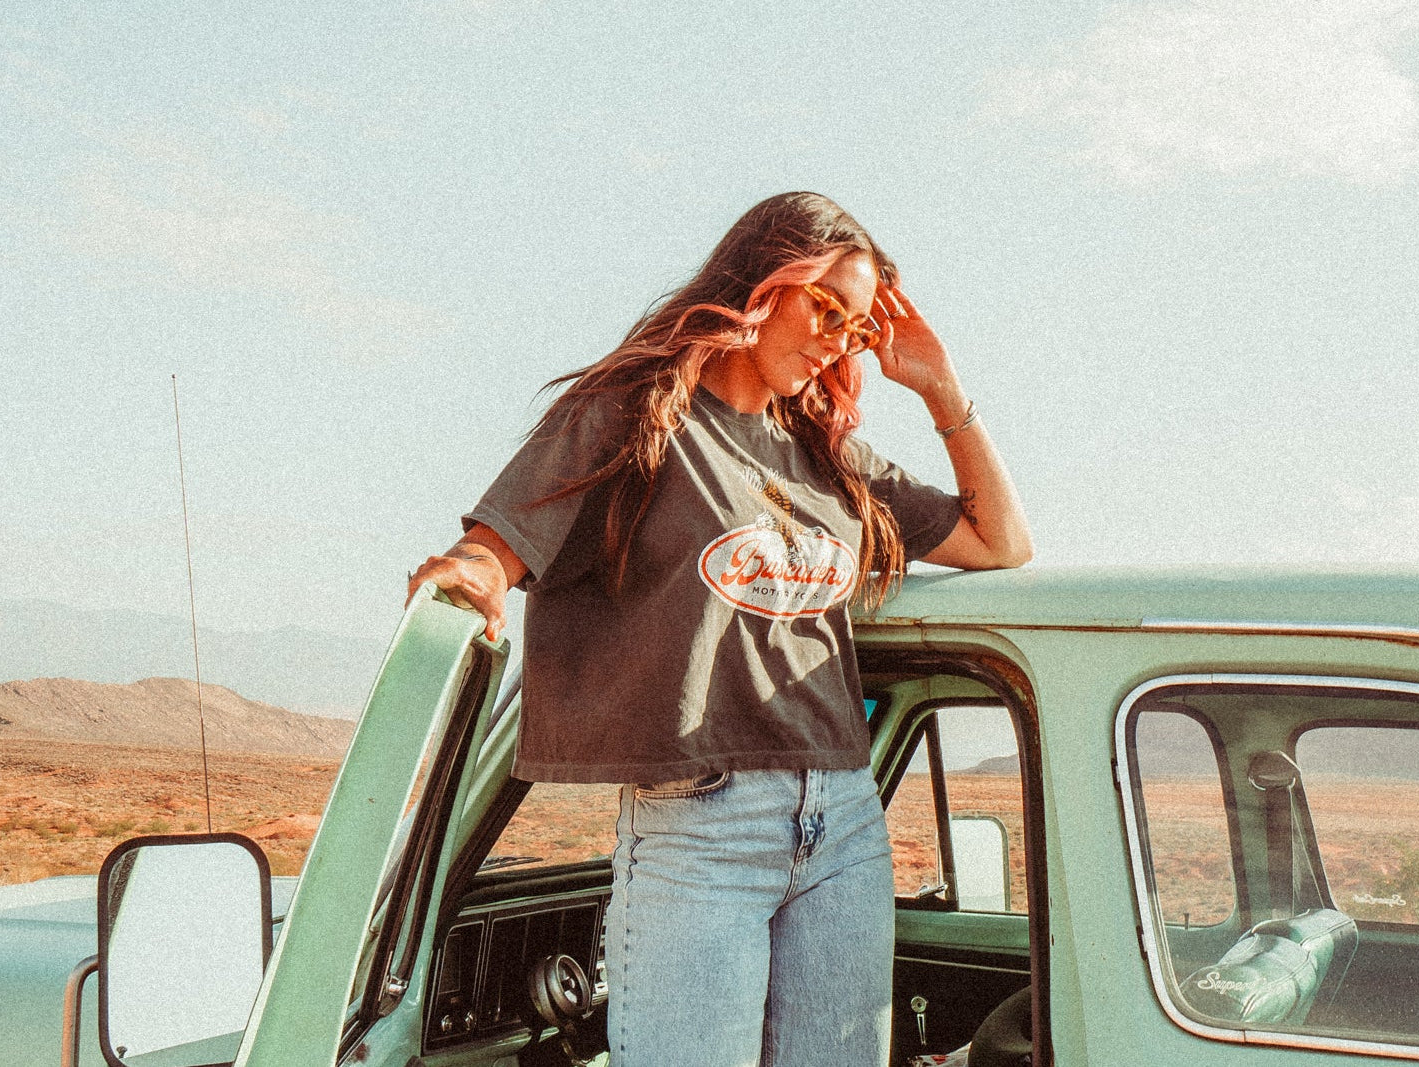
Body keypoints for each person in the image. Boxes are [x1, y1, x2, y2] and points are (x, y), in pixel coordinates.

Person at [407, 191, 1031, 1067]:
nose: (835, 339)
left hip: (844, 818)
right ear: (763, 280)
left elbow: (1002, 540)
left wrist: (940, 385)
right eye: (824, 305)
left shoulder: (830, 456)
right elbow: (500, 544)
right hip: (702, 826)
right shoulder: (639, 412)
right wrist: (470, 571)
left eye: (854, 327)